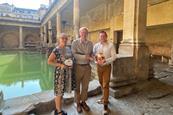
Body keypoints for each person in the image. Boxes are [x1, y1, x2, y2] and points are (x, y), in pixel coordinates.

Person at [48, 33, 74, 115]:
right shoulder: (56, 49)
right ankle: (58, 112)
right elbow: (49, 61)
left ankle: (59, 109)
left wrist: (71, 64)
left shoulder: (68, 49)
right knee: (58, 93)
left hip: (67, 73)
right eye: (63, 38)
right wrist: (60, 65)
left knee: (62, 92)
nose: (64, 40)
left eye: (66, 38)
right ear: (59, 39)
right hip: (59, 74)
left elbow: (70, 59)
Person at [93, 31, 116, 115]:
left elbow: (114, 57)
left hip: (106, 67)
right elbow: (94, 56)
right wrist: (96, 61)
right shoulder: (96, 46)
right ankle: (104, 97)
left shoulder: (110, 45)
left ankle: (105, 105)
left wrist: (105, 61)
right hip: (99, 67)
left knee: (106, 84)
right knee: (101, 82)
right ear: (99, 37)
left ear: (106, 37)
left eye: (103, 36)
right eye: (100, 36)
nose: (102, 37)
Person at [71, 27, 93, 113]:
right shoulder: (75, 43)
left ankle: (83, 102)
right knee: (77, 87)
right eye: (82, 32)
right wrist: (86, 56)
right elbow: (74, 54)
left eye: (85, 32)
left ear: (87, 34)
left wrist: (95, 57)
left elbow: (91, 53)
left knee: (85, 86)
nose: (84, 34)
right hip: (77, 67)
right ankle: (78, 103)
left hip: (87, 67)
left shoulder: (90, 43)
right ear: (80, 33)